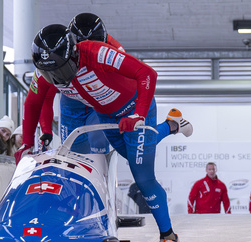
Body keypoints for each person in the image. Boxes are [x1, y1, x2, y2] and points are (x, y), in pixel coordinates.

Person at [31, 24, 178, 242]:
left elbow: (147, 74)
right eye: (51, 72)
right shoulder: (50, 71)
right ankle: (171, 125)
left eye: (61, 69)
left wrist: (138, 115)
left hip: (135, 112)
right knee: (130, 156)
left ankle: (169, 238)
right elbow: (37, 102)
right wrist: (34, 138)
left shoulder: (100, 53)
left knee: (143, 177)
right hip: (109, 116)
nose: (57, 77)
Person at [17, 13, 192, 161]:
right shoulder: (55, 59)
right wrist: (43, 131)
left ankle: (171, 126)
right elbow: (43, 97)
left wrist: (137, 114)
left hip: (99, 99)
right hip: (72, 98)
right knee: (70, 152)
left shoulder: (113, 51)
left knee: (120, 148)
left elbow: (129, 85)